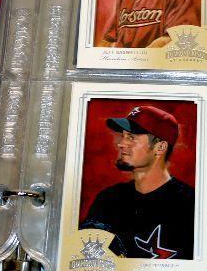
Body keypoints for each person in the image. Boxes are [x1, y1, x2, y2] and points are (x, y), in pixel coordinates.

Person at [80, 105, 194, 260]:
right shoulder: (108, 199)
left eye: (132, 137)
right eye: (123, 135)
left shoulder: (191, 205)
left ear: (160, 147)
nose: (121, 143)